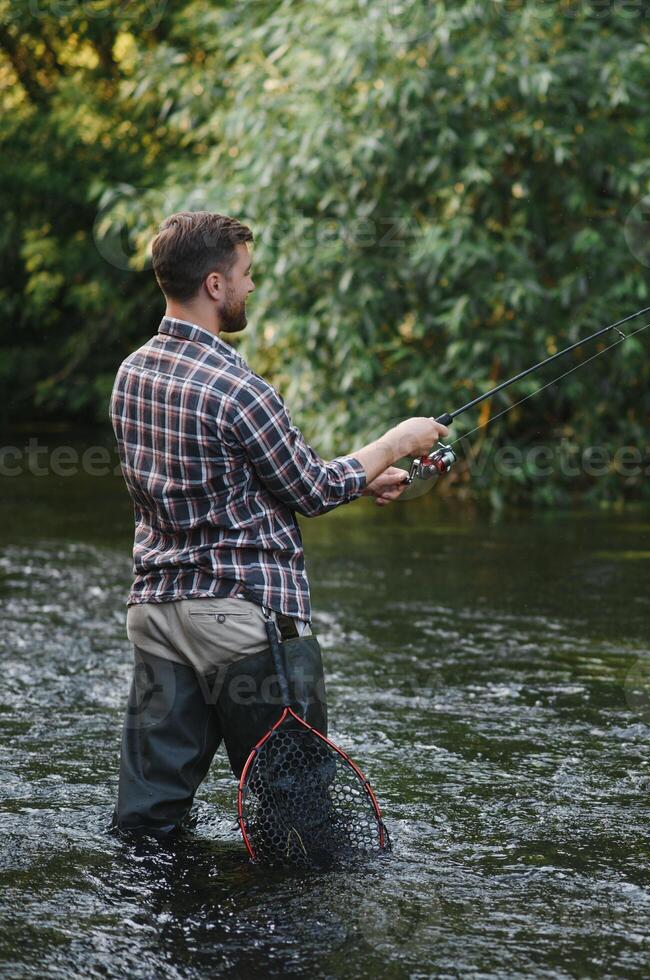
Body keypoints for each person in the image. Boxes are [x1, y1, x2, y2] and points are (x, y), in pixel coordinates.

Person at [109, 210, 446, 838]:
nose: (251, 287)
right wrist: (397, 443)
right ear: (214, 285)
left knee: (147, 821)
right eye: (245, 275)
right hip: (242, 625)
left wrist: (362, 476)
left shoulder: (131, 375)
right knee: (298, 823)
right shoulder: (241, 390)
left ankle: (154, 929)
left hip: (156, 616)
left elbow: (220, 482)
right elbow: (311, 490)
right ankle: (288, 937)